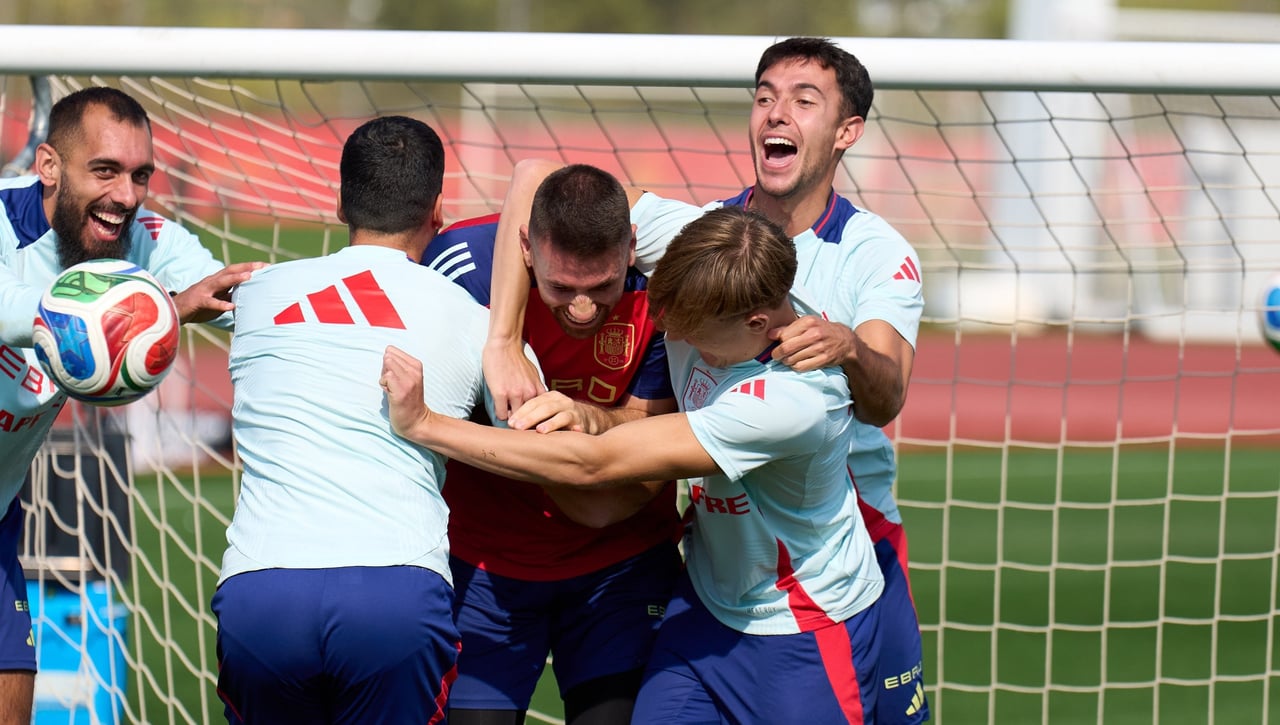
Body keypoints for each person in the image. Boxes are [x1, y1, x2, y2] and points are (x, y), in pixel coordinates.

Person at [483, 36, 930, 723]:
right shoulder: (703, 239)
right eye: (764, 98)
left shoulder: (873, 253)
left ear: (847, 133)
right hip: (720, 566)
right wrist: (504, 343)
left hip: (840, 553)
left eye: (803, 101)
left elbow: (886, 396)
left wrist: (847, 349)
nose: (777, 114)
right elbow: (539, 181)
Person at [384, 206, 886, 723]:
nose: (668, 327)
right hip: (704, 610)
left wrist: (425, 424)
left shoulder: (791, 403)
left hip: (800, 625)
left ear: (756, 323)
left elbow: (596, 466)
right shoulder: (717, 255)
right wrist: (505, 341)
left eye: (691, 328)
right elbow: (538, 178)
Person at [211, 115, 526, 724]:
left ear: (339, 200)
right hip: (394, 592)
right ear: (438, 209)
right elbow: (538, 429)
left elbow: (167, 312)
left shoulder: (256, 293)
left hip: (262, 590)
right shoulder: (474, 322)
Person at [0, 86, 260, 725]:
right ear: (50, 167)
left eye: (140, 175)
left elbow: (241, 298)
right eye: (106, 171)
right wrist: (159, 309)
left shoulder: (140, 238)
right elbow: (27, 312)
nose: (126, 194)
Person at [419, 164, 680, 724]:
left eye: (601, 286)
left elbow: (632, 482)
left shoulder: (669, 287)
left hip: (620, 568)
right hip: (481, 567)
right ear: (525, 249)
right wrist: (502, 344)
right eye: (562, 289)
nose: (583, 309)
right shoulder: (457, 269)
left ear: (632, 245)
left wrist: (558, 427)